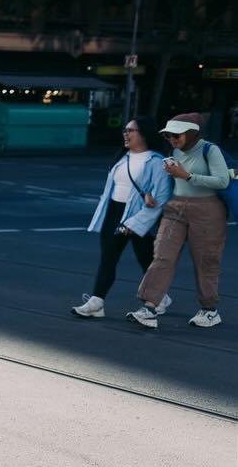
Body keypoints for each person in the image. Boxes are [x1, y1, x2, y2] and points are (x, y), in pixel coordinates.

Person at [126, 114, 232, 329]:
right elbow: (167, 179)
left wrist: (187, 176)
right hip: (175, 207)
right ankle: (149, 307)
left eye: (176, 135)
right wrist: (150, 192)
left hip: (207, 209)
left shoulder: (209, 150)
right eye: (168, 136)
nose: (172, 140)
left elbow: (222, 181)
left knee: (206, 261)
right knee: (162, 257)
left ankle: (209, 310)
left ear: (192, 133)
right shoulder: (173, 151)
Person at [72, 117, 173, 319]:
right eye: (125, 130)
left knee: (146, 260)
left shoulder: (155, 161)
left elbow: (160, 199)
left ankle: (159, 298)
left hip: (139, 216)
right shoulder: (122, 158)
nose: (125, 134)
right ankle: (96, 302)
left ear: (143, 134)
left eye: (130, 131)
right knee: (108, 258)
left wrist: (134, 224)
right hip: (115, 213)